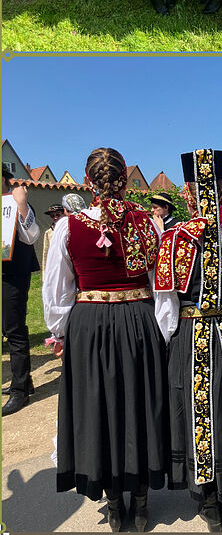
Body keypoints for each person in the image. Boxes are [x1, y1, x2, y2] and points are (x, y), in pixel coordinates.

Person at [42, 147, 167, 532]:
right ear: (125, 180)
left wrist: (59, 330)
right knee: (141, 404)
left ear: (87, 179)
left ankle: (114, 503)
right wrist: (162, 331)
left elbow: (57, 288)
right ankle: (141, 501)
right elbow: (161, 287)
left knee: (100, 407)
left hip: (90, 324)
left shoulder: (68, 226)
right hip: (140, 320)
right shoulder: (149, 223)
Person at [154, 149, 222, 533]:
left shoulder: (174, 240)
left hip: (192, 334)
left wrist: (170, 340)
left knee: (199, 410)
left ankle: (209, 499)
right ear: (221, 192)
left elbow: (165, 305)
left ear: (187, 197)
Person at [2, 167, 41, 414]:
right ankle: (24, 380)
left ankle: (20, 391)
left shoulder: (16, 202)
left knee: (14, 329)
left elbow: (31, 236)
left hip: (13, 274)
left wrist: (22, 204)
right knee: (6, 328)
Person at [41, 204, 66, 276]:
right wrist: (44, 274)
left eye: (58, 215)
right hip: (55, 267)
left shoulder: (70, 229)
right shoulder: (48, 233)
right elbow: (45, 254)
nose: (55, 218)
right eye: (52, 216)